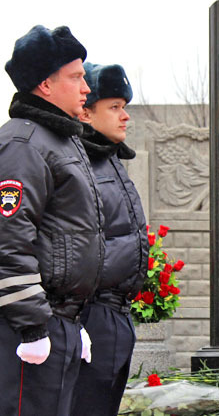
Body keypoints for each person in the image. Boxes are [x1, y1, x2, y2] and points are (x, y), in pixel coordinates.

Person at [0, 25, 104, 416]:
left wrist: (72, 324)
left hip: (59, 322)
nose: (86, 88)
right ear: (45, 84)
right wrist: (33, 328)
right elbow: (9, 240)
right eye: (75, 77)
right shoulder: (23, 145)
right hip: (29, 328)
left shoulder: (59, 140)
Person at [71, 63, 148, 416]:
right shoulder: (78, 162)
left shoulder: (109, 159)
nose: (125, 115)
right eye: (114, 107)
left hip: (116, 314)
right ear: (86, 113)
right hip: (91, 314)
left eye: (124, 106)